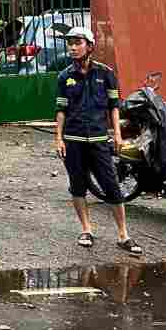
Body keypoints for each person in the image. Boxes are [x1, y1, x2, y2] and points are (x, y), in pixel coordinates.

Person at [53, 26, 143, 256]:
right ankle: (86, 230)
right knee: (78, 185)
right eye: (70, 43)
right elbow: (61, 110)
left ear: (90, 46)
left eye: (78, 43)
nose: (73, 47)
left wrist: (118, 135)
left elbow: (114, 107)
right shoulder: (64, 76)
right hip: (73, 139)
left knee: (112, 186)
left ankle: (123, 235)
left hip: (99, 139)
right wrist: (58, 138)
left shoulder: (106, 74)